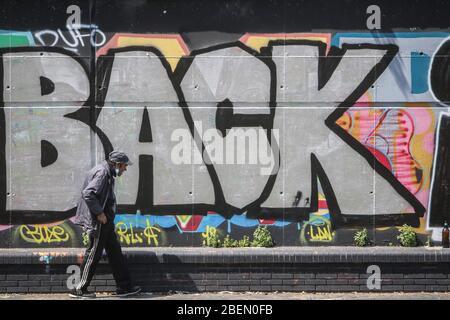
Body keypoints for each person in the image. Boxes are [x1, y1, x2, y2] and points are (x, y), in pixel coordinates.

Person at [70, 151, 141, 298]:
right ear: (117, 164)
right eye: (124, 166)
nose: (125, 169)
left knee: (115, 253)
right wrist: (99, 213)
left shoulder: (106, 172)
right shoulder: (103, 173)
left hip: (106, 222)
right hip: (99, 222)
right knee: (93, 254)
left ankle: (124, 287)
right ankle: (79, 289)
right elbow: (88, 193)